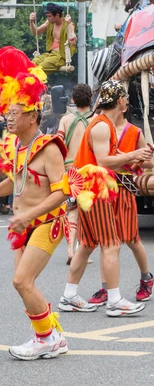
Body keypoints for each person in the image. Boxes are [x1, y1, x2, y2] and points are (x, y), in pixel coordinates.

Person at [58, 80, 153, 317]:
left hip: (90, 189)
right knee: (111, 244)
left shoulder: (102, 124)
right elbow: (102, 161)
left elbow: (110, 157)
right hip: (96, 188)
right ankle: (114, 300)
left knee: (88, 244)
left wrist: (133, 158)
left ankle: (69, 296)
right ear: (120, 101)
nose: (127, 102)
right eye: (126, 98)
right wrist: (133, 154)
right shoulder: (101, 126)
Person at [0, 46, 70, 360]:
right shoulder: (14, 146)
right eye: (6, 113)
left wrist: (28, 213)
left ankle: (46, 338)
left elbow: (62, 192)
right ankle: (48, 336)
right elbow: (16, 183)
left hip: (45, 223)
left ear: (32, 115)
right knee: (22, 284)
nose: (8, 118)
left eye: (14, 113)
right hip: (22, 226)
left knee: (21, 280)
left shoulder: (49, 148)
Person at [88, 109, 154, 307]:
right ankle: (106, 287)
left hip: (124, 188)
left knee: (131, 238)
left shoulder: (134, 132)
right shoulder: (101, 127)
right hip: (103, 188)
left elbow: (150, 162)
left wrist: (130, 157)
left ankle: (146, 278)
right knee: (105, 240)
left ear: (122, 106)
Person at [57, 84, 94, 264]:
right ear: (91, 99)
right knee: (86, 211)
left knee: (71, 210)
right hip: (89, 170)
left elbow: (58, 145)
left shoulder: (65, 120)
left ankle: (71, 249)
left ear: (73, 99)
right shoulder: (96, 120)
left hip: (70, 169)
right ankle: (81, 250)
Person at [30, 3, 77, 75]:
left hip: (60, 56)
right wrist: (31, 21)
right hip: (49, 54)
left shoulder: (69, 25)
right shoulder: (49, 23)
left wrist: (69, 24)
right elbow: (36, 32)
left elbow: (73, 42)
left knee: (38, 70)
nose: (48, 18)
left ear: (57, 15)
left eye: (50, 16)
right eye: (47, 16)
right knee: (30, 65)